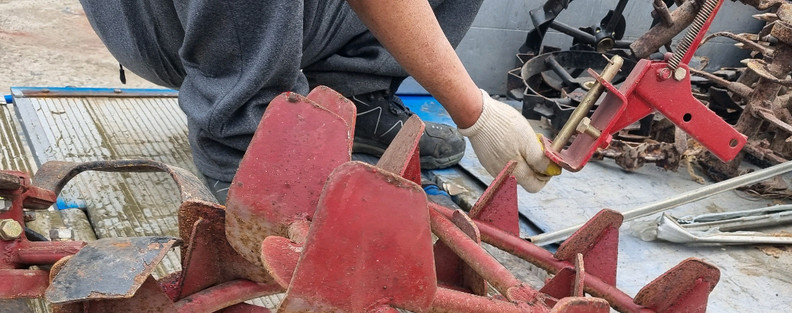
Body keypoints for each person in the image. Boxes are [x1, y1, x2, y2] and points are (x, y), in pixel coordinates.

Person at [78, 0, 556, 201]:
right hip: (165, 22)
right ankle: (250, 138)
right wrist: (474, 111)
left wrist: (477, 113)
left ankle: (350, 96)